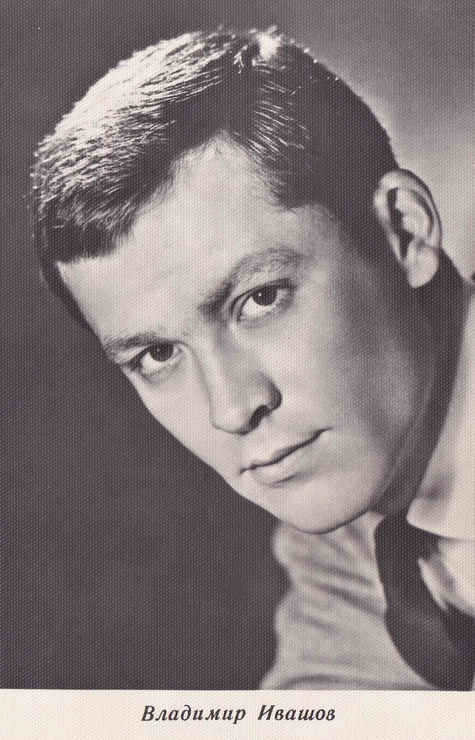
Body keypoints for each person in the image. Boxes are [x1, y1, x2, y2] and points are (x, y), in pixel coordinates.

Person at [32, 28, 474, 690]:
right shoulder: (351, 518)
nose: (233, 409)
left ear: (403, 232)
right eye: (157, 354)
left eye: (261, 299)